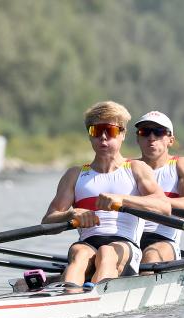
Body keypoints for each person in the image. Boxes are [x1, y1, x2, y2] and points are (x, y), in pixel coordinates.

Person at [41, 101, 171, 291]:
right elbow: (47, 222)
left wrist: (122, 199)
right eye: (96, 131)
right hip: (88, 242)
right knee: (79, 253)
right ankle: (68, 298)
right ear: (89, 135)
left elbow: (164, 207)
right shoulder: (75, 175)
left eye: (110, 131)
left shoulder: (136, 168)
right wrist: (71, 214)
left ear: (123, 134)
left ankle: (93, 299)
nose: (103, 137)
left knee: (106, 252)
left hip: (125, 245)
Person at [134, 111, 184, 264]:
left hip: (164, 241)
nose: (151, 138)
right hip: (127, 238)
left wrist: (155, 202)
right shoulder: (127, 167)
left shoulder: (181, 165)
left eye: (158, 132)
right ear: (138, 138)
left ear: (171, 140)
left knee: (150, 255)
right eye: (145, 132)